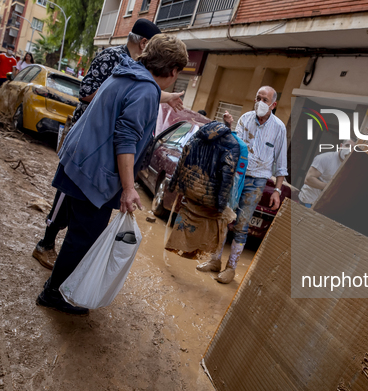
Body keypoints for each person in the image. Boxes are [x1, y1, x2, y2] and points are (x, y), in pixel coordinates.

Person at [36, 34, 188, 315]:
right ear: (174, 71)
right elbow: (126, 139)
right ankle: (53, 293)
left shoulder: (127, 72)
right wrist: (129, 189)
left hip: (77, 160)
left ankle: (55, 279)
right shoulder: (145, 90)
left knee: (74, 225)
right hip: (94, 173)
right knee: (83, 237)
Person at [198, 86, 288, 284]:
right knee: (224, 217)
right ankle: (215, 260)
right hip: (237, 176)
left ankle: (231, 268)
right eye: (258, 98)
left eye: (265, 100)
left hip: (257, 181)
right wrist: (228, 126)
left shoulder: (279, 128)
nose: (260, 103)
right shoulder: (245, 118)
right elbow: (233, 146)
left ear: (273, 105)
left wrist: (277, 191)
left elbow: (281, 164)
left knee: (241, 224)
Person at [165, 113, 243, 259]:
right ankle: (201, 255)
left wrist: (173, 184)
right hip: (209, 196)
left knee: (188, 220)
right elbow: (227, 176)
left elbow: (182, 157)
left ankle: (178, 248)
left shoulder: (197, 135)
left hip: (189, 189)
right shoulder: (232, 144)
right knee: (208, 229)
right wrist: (221, 205)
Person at [298, 140, 355, 208]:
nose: (349, 150)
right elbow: (308, 179)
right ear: (341, 146)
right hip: (308, 201)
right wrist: (331, 187)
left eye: (352, 148)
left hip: (322, 205)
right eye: (347, 146)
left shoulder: (347, 166)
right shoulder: (325, 158)